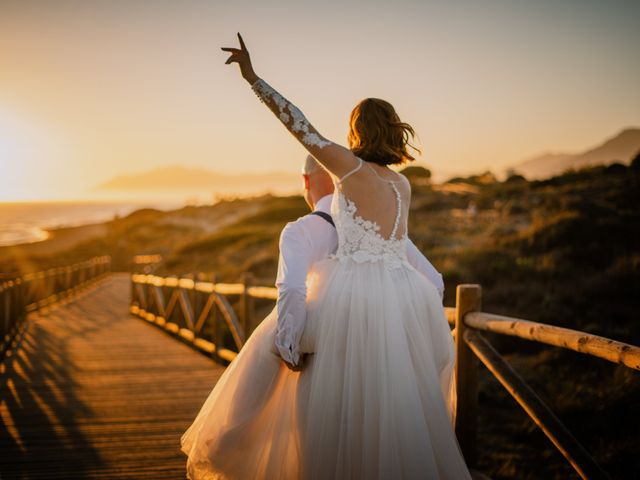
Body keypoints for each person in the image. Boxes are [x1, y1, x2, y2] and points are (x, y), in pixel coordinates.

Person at [180, 152, 448, 479]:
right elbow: (434, 283)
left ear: (306, 182)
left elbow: (292, 290)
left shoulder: (301, 230)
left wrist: (289, 346)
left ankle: (231, 442)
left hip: (320, 355)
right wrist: (406, 333)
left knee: (315, 444)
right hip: (380, 361)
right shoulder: (380, 232)